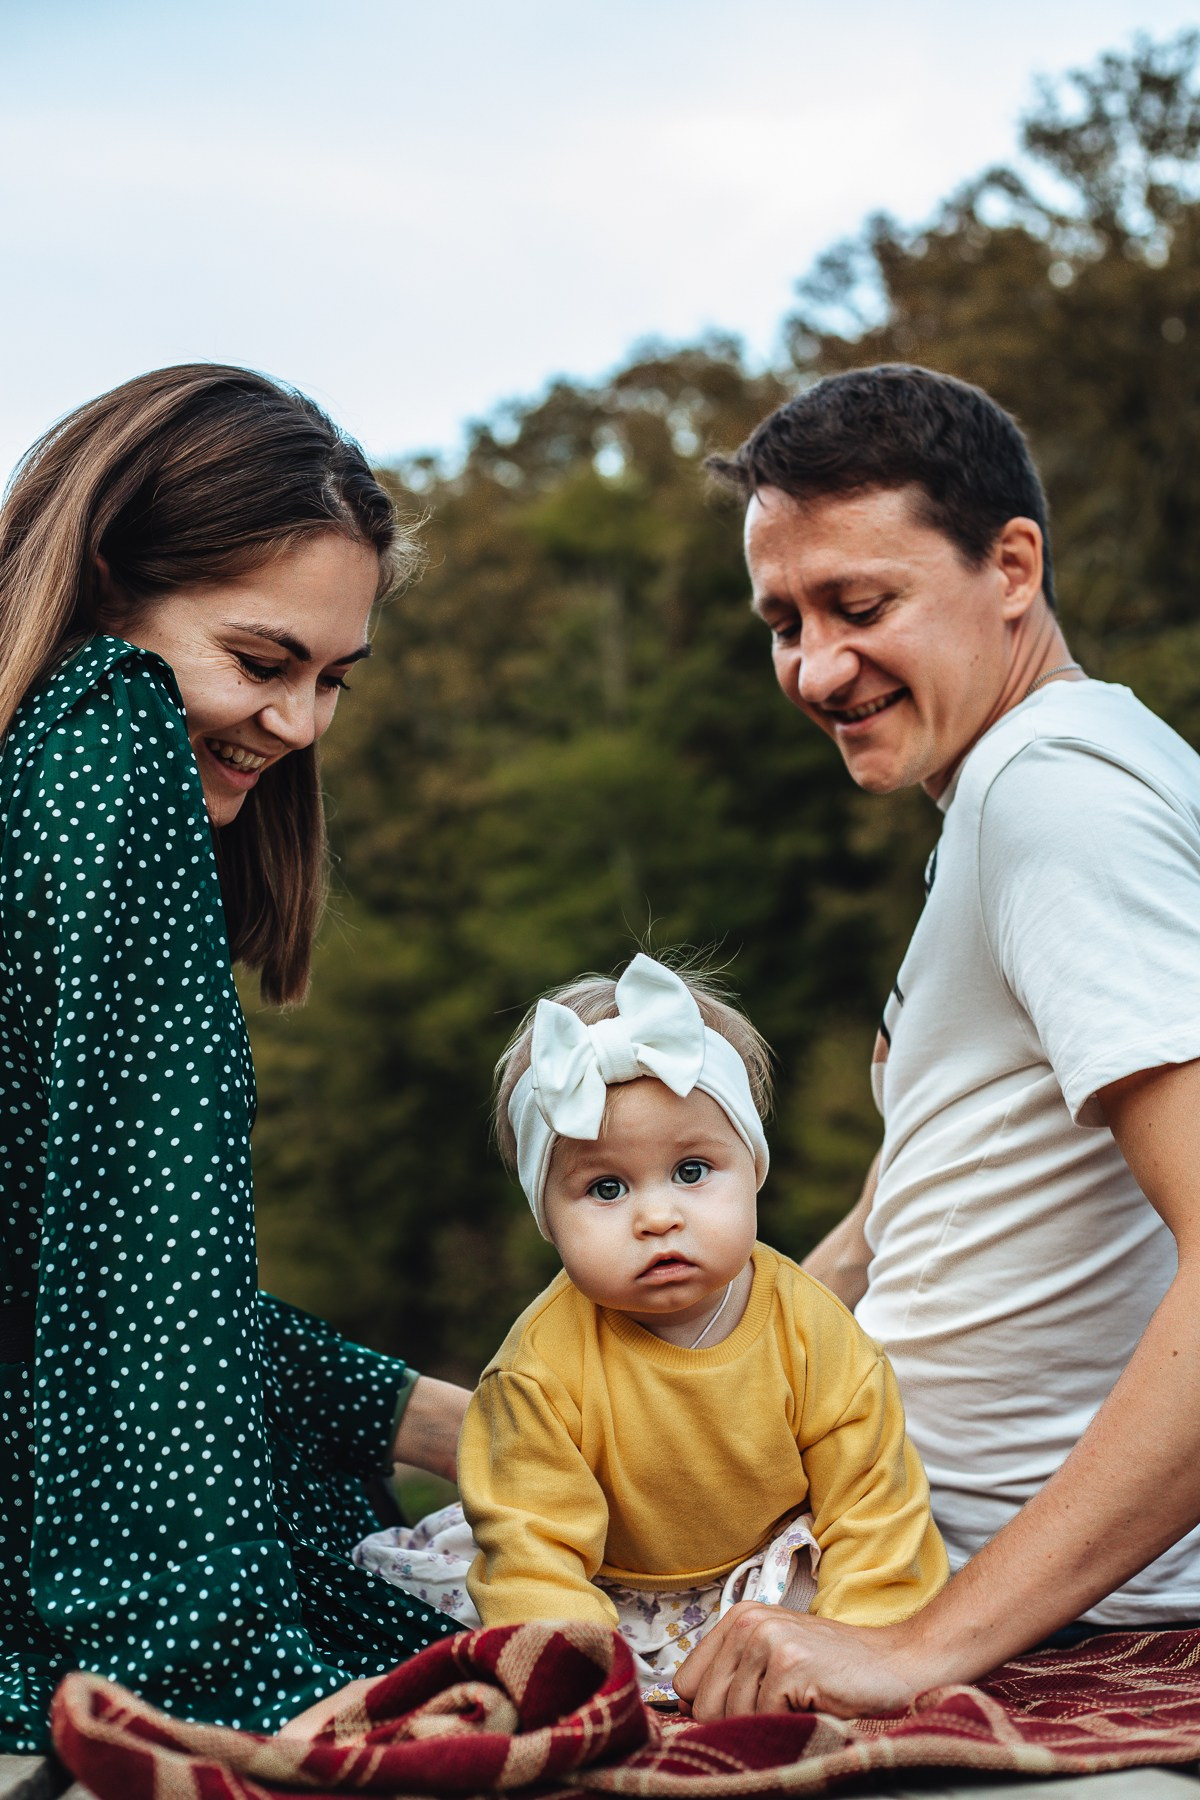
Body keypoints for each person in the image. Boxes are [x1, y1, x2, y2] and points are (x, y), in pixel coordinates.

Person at [672, 364, 1200, 1720]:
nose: (816, 668)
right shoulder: (1039, 785)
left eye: (861, 605)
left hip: (974, 1585)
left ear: (1012, 566)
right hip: (869, 1520)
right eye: (782, 620)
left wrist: (924, 1647)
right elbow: (925, 1194)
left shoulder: (1057, 808)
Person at [0, 365, 471, 1753]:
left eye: (334, 679)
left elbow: (89, 1280)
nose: (303, 724)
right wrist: (216, 1666)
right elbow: (134, 1299)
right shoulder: (114, 735)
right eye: (263, 663)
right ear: (104, 587)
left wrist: (446, 1419)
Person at [356, 953, 947, 1696]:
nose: (659, 1216)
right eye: (606, 1187)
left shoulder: (812, 1331)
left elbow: (872, 1503)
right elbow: (533, 1546)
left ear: (753, 1167)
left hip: (767, 1577)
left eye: (694, 1171)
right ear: (547, 1217)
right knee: (456, 1631)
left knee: (831, 1591)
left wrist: (861, 1640)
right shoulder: (537, 1371)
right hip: (604, 1590)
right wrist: (580, 1674)